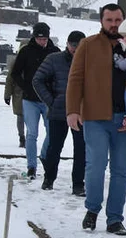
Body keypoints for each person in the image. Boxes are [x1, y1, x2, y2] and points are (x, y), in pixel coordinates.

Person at [67, 3, 126, 235]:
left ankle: (115, 219)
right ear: (101, 21)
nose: (114, 24)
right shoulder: (88, 45)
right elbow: (75, 79)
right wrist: (72, 110)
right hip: (95, 117)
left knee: (120, 171)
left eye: (118, 20)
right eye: (109, 20)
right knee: (95, 167)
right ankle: (92, 211)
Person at [32, 30, 86, 194]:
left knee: (81, 149)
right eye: (73, 45)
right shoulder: (54, 59)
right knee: (54, 147)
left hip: (80, 111)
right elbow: (37, 80)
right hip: (59, 111)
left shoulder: (89, 62)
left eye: (80, 46)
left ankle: (78, 183)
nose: (76, 49)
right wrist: (51, 101)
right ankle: (49, 178)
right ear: (68, 44)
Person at [10, 22, 59, 178]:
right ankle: (31, 166)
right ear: (34, 37)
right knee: (32, 133)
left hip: (48, 100)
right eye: (39, 39)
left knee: (52, 132)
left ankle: (44, 156)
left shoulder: (55, 52)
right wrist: (25, 87)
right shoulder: (26, 52)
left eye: (44, 39)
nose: (42, 42)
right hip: (29, 99)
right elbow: (15, 72)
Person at [3, 63, 26, 149]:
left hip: (30, 93)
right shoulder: (16, 63)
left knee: (30, 118)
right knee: (20, 116)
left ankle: (29, 138)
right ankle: (22, 137)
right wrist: (7, 95)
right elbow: (10, 79)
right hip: (19, 93)